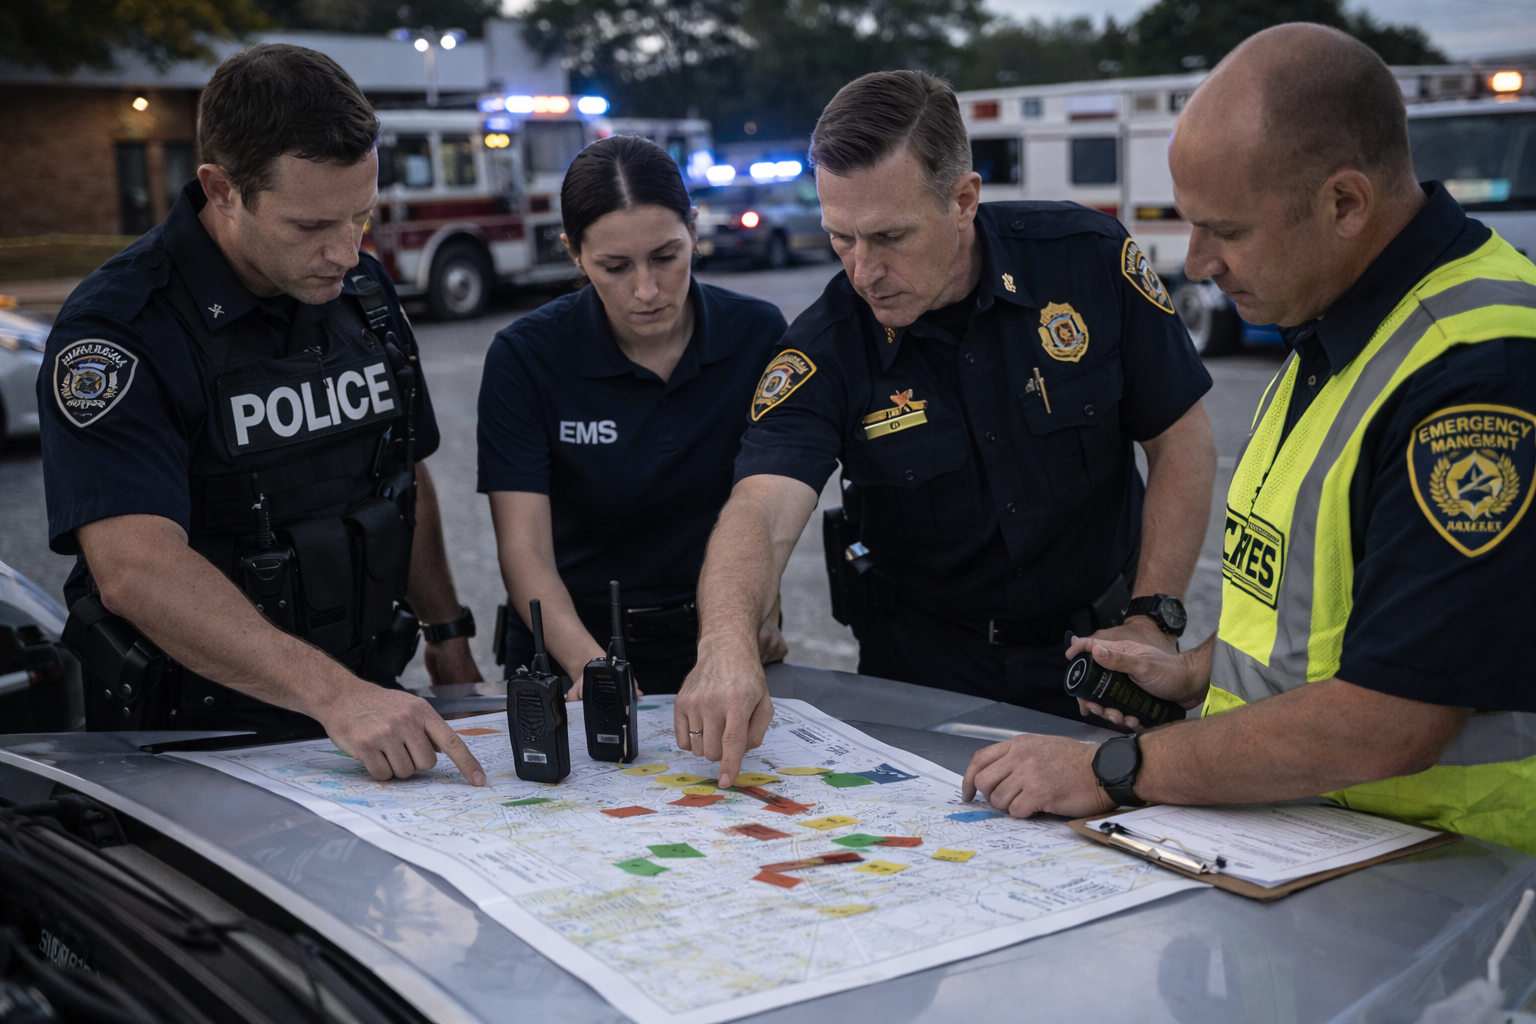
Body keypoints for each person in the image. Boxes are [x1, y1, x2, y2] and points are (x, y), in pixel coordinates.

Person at [960, 24, 1536, 854]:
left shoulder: (1478, 375)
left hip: (1461, 875)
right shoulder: (1337, 318)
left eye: (1225, 230)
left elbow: (1391, 721)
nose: (1196, 264)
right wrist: (1194, 673)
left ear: (1344, 203)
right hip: (1321, 848)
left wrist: (1114, 769)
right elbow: (1320, 628)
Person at [675, 70, 1218, 785]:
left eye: (890, 236)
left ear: (963, 199)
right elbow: (762, 508)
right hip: (924, 678)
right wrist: (724, 641)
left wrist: (1152, 618)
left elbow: (1181, 442)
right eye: (840, 238)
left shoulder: (1085, 260)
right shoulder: (825, 348)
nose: (865, 270)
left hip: (1099, 664)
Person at [40, 44, 486, 786]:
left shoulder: (363, 295)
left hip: (369, 715)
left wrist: (447, 635)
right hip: (195, 746)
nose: (345, 252)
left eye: (362, 218)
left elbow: (399, 476)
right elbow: (135, 568)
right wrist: (336, 697)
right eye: (311, 226)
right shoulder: (122, 331)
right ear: (221, 189)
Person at [478, 136, 790, 694]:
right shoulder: (526, 357)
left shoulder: (759, 336)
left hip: (716, 641)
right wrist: (591, 668)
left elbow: (771, 502)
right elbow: (524, 548)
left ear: (694, 229)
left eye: (666, 257)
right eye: (615, 266)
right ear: (573, 252)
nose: (646, 290)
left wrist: (756, 613)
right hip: (572, 647)